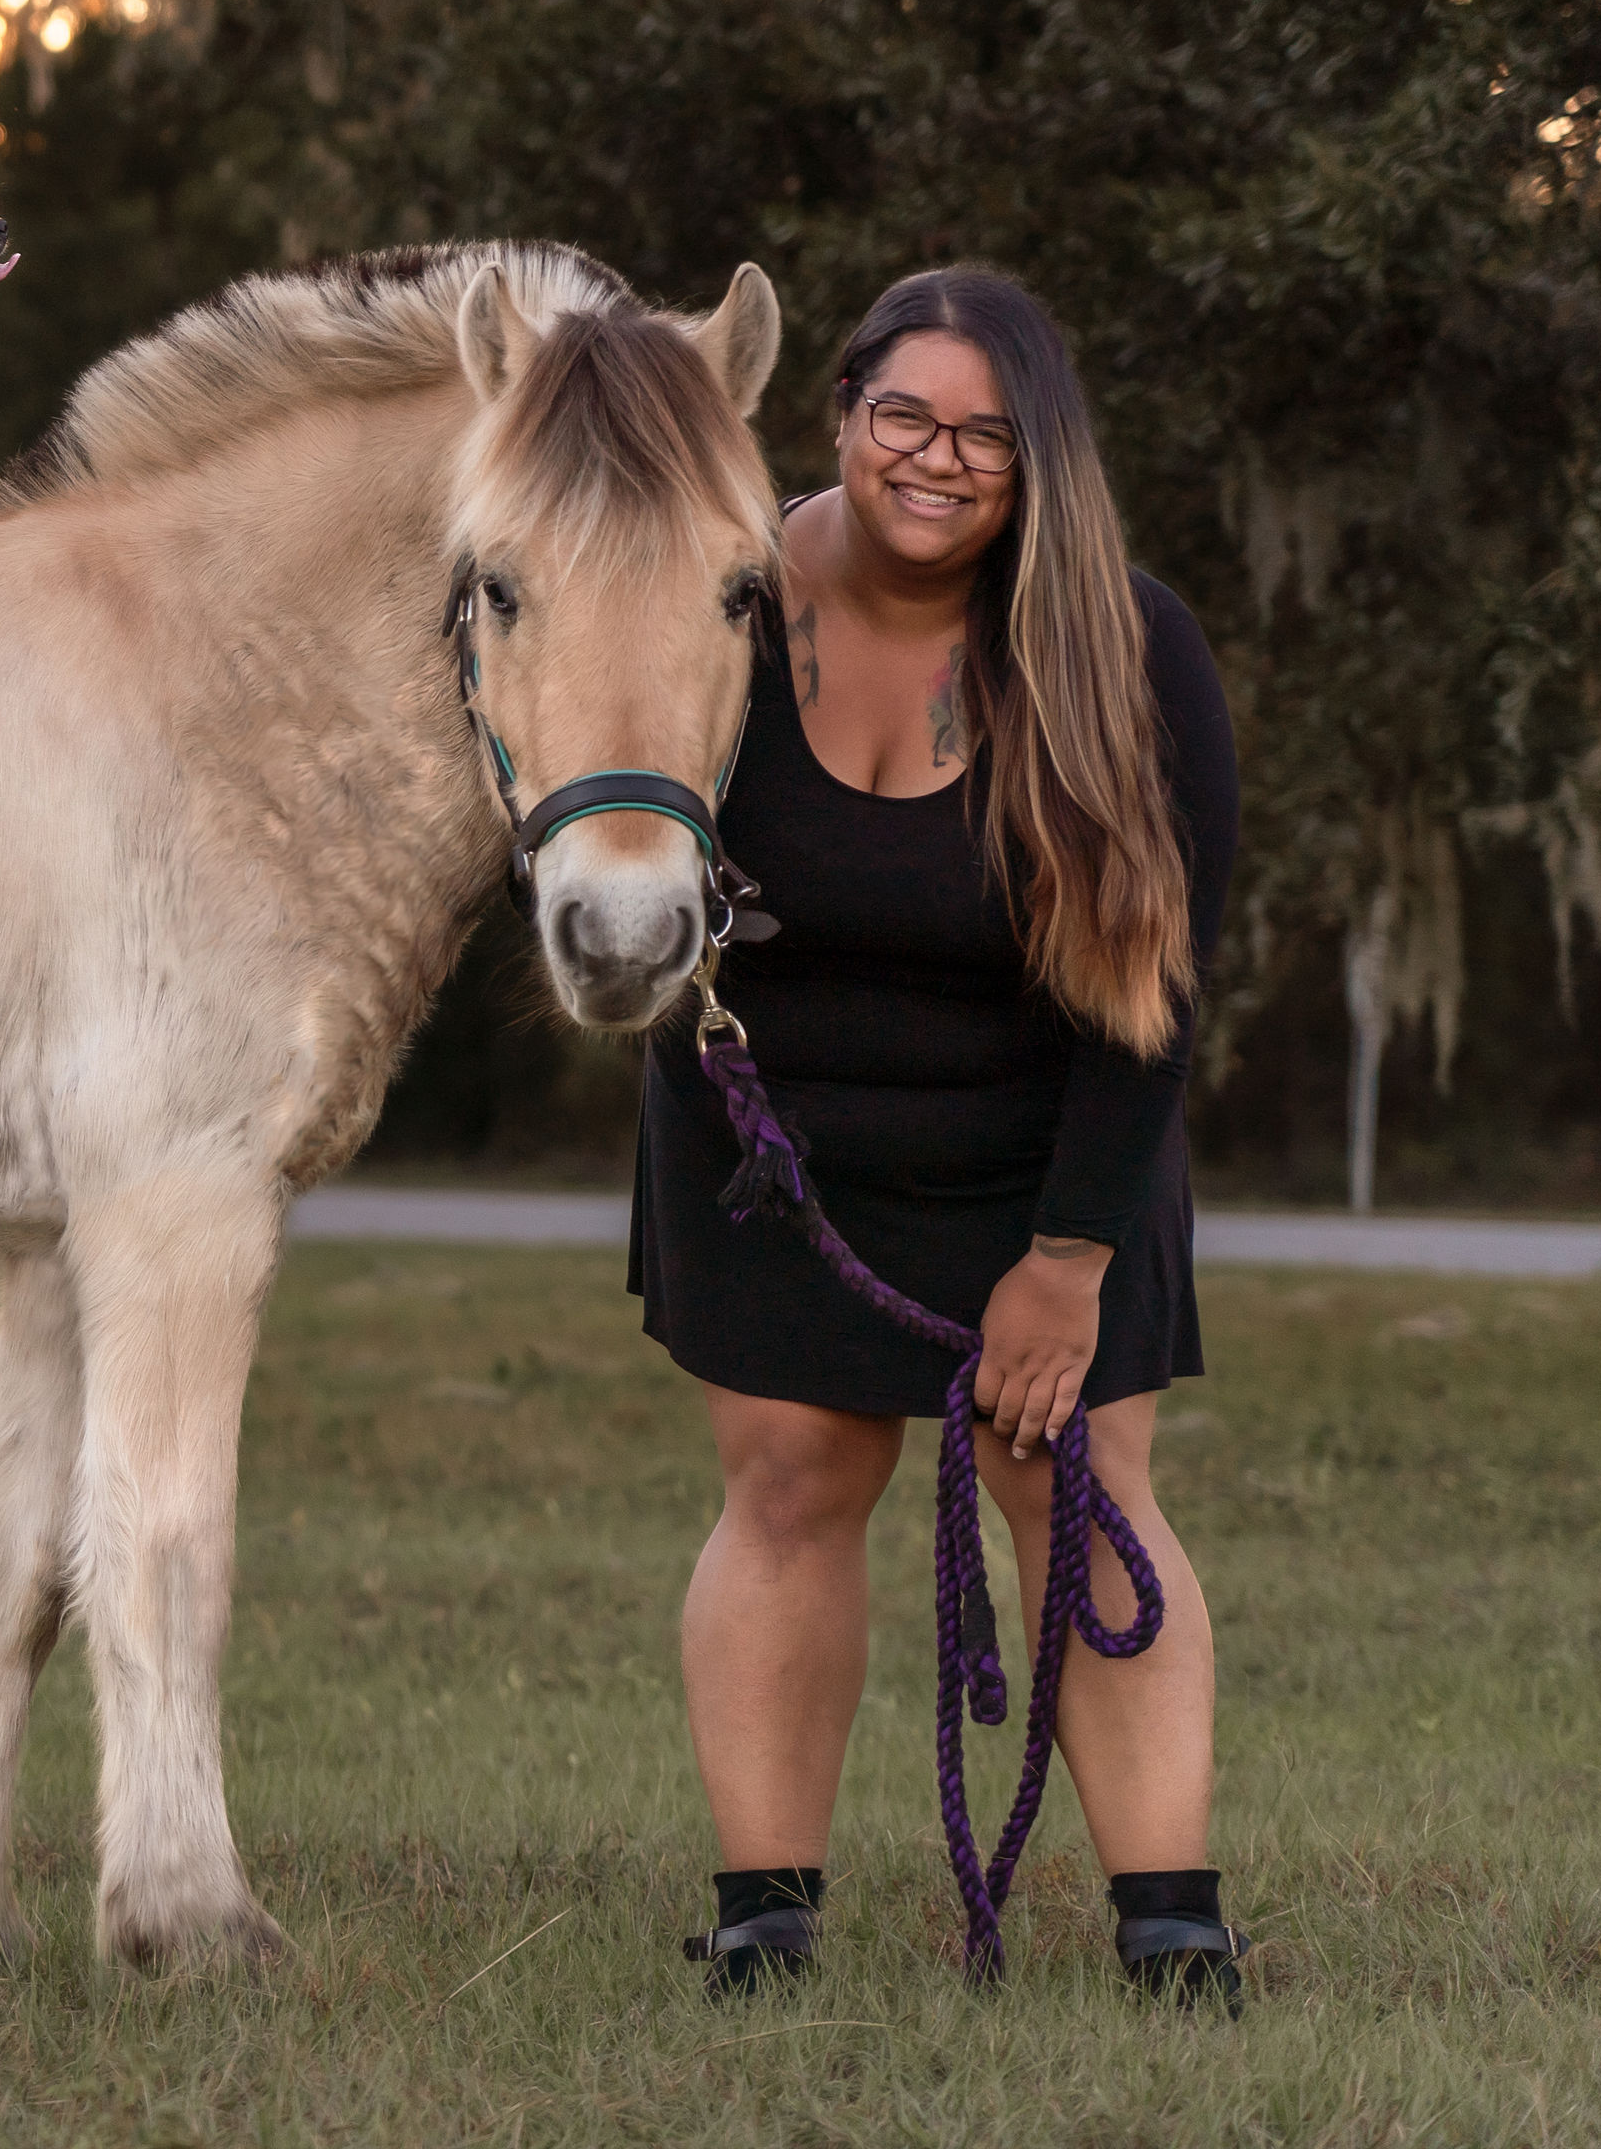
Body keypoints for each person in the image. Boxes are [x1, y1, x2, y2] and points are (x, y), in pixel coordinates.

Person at [628, 266, 1245, 2009]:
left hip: (1053, 1135)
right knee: (792, 1482)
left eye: (987, 433)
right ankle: (765, 1919)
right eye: (907, 416)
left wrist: (1070, 1260)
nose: (940, 459)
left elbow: (1163, 984)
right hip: (773, 1138)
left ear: (1035, 460)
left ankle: (1174, 1932)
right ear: (838, 412)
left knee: (1080, 1487)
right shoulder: (713, 605)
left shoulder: (1125, 642)